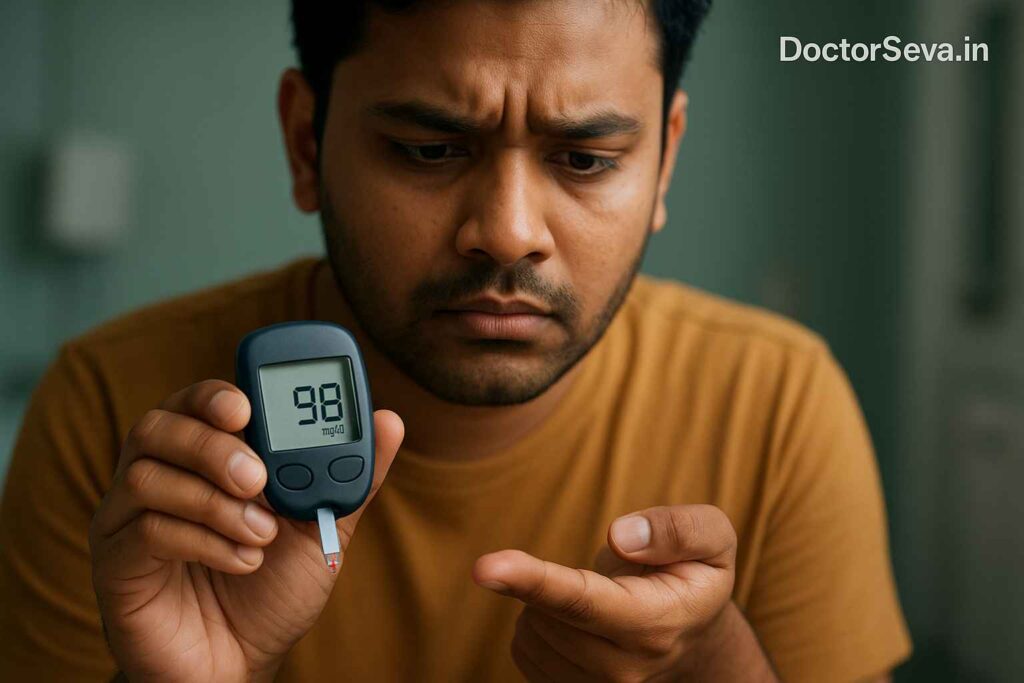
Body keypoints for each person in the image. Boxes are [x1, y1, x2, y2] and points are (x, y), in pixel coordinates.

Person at [0, 1, 912, 680]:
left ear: (665, 159)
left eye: (586, 159)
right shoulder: (118, 415)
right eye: (431, 151)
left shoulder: (781, 403)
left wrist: (716, 662)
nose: (509, 232)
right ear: (306, 142)